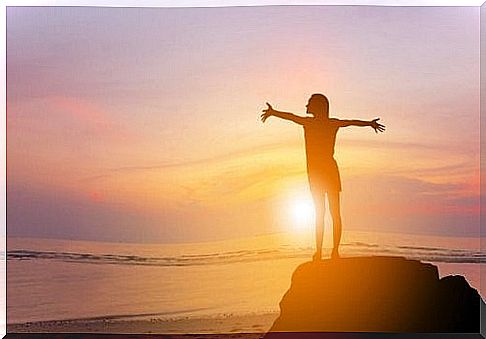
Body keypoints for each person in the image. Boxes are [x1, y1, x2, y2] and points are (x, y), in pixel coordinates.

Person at [260, 93, 385, 260]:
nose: (306, 106)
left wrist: (274, 112)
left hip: (319, 174)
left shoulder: (311, 123)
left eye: (309, 103)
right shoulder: (328, 123)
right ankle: (328, 251)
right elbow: (350, 122)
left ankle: (326, 251)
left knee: (324, 213)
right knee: (331, 213)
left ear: (318, 106)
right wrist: (369, 124)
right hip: (323, 173)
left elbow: (349, 122)